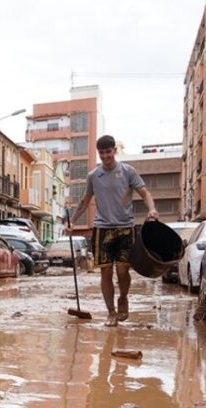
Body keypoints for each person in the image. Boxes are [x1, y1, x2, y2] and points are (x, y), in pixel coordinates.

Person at [72, 135, 159, 326]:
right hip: (102, 229)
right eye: (101, 153)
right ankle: (111, 312)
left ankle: (123, 298)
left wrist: (151, 209)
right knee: (105, 273)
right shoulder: (93, 176)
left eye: (108, 152)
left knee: (122, 270)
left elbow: (145, 193)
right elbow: (85, 201)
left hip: (125, 228)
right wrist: (72, 221)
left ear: (114, 151)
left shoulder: (128, 171)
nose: (105, 156)